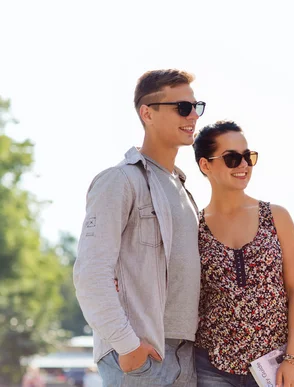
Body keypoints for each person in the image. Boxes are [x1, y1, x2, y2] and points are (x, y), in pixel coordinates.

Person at [73, 69, 205, 386]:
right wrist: (128, 344)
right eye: (183, 108)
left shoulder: (184, 190)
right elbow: (90, 274)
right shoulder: (119, 180)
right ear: (147, 113)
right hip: (140, 356)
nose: (193, 116)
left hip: (184, 357)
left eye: (196, 107)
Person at [192, 120, 294, 387]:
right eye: (232, 158)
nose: (244, 165)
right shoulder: (194, 228)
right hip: (211, 367)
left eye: (248, 156)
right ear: (205, 165)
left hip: (275, 365)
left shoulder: (277, 216)